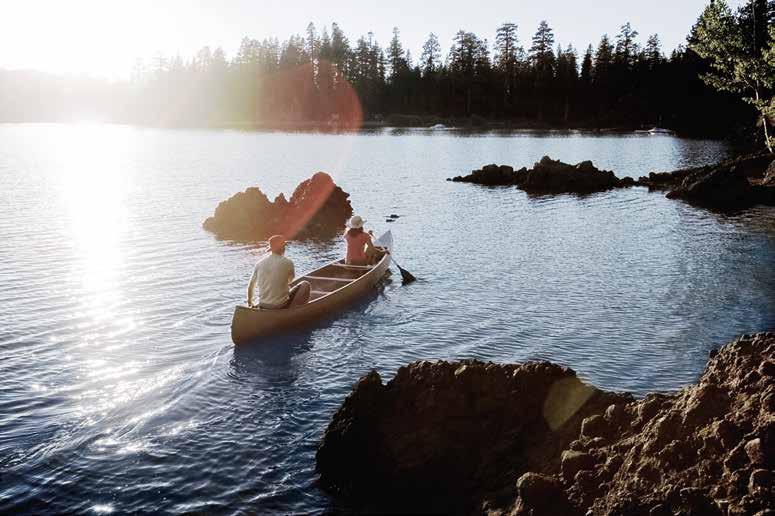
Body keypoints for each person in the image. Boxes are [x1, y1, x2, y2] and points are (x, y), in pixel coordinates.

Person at [247, 235, 310, 309]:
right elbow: (290, 281)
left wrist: (250, 301)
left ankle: (261, 309)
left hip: (263, 304)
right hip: (280, 305)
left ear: (271, 249)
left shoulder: (259, 263)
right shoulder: (288, 262)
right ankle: (298, 310)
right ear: (283, 248)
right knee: (305, 284)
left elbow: (251, 285)